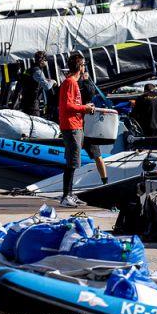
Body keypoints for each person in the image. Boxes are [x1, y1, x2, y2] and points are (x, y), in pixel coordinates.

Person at [59, 53, 96, 207]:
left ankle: (70, 194)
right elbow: (67, 106)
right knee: (72, 162)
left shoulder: (72, 83)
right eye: (83, 65)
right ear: (80, 67)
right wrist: (85, 109)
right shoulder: (70, 83)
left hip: (76, 124)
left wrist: (85, 108)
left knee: (73, 161)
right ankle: (66, 196)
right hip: (71, 125)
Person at [78, 70, 108, 185]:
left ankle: (105, 181)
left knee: (97, 156)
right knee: (96, 156)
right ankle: (104, 180)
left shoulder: (81, 84)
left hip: (84, 127)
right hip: (80, 126)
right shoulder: (74, 83)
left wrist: (85, 80)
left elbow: (90, 93)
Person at [20, 51, 55, 117]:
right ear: (42, 61)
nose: (47, 62)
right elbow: (47, 87)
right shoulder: (38, 71)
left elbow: (32, 80)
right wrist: (53, 81)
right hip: (33, 104)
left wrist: (46, 80)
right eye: (46, 60)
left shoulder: (29, 70)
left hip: (25, 101)